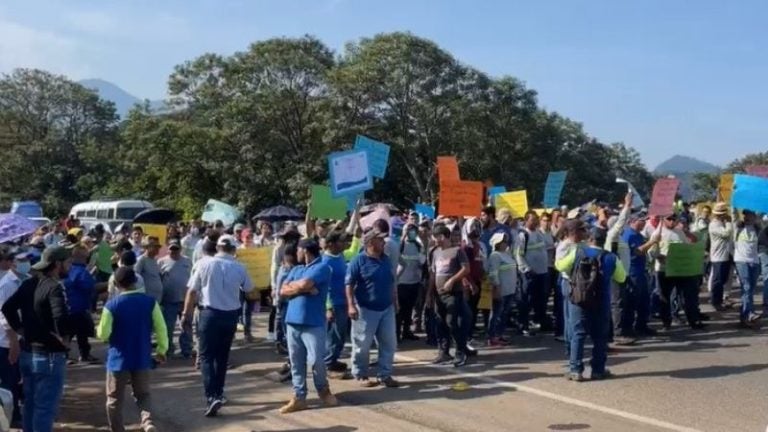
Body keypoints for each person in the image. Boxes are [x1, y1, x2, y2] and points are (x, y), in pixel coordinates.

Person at [182, 234, 254, 417]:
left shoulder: (203, 264)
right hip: (230, 316)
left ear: (218, 248)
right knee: (222, 357)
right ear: (233, 249)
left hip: (209, 314)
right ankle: (218, 393)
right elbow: (250, 290)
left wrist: (186, 314)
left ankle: (211, 396)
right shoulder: (240, 267)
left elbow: (192, 291)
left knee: (206, 356)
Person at [2, 246, 71, 432]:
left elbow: (8, 308)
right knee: (44, 408)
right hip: (49, 357)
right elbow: (61, 317)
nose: (69, 266)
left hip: (28, 353)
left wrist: (21, 330)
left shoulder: (28, 284)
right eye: (68, 262)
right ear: (57, 264)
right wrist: (64, 338)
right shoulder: (55, 287)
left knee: (31, 405)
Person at [97, 267, 167, 432]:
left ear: (116, 284)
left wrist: (105, 334)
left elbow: (103, 333)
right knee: (143, 394)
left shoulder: (111, 305)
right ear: (135, 282)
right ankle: (147, 421)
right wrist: (162, 350)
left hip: (118, 360)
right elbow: (161, 328)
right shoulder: (150, 302)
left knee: (114, 399)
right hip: (142, 356)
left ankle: (117, 429)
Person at [556, 220, 625, 382]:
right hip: (601, 301)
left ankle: (575, 370)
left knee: (578, 334)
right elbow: (621, 278)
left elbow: (560, 267)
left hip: (580, 299)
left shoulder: (578, 252)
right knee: (600, 336)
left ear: (590, 239)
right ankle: (598, 370)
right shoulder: (611, 257)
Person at [279, 238, 338, 413]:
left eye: (298, 249)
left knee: (317, 360)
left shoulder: (322, 267)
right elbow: (282, 290)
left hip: (313, 322)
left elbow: (304, 284)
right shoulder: (297, 269)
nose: (295, 253)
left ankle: (323, 390)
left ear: (305, 251)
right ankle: (299, 396)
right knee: (296, 361)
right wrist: (303, 289)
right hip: (292, 321)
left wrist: (298, 287)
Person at [346, 226, 400, 387]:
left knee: (389, 343)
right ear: (370, 242)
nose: (384, 242)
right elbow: (349, 283)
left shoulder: (385, 258)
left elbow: (391, 282)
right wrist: (351, 305)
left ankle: (385, 374)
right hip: (365, 309)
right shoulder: (359, 260)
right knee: (362, 345)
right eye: (380, 239)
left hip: (386, 308)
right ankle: (360, 373)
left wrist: (395, 301)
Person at [651, 213, 705, 330]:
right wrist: (661, 257)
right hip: (664, 270)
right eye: (668, 219)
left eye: (673, 219)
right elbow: (652, 252)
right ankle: (666, 322)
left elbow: (687, 246)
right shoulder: (658, 233)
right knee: (664, 297)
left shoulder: (679, 232)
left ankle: (693, 320)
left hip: (681, 270)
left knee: (688, 295)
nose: (671, 221)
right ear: (663, 219)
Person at [428, 224, 471, 367]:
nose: (435, 241)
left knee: (452, 322)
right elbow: (433, 274)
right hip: (438, 295)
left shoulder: (457, 251)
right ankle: (443, 352)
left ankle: (460, 352)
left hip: (453, 294)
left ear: (442, 237)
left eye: (436, 238)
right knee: (440, 323)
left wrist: (452, 280)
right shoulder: (435, 253)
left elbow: (466, 269)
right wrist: (430, 294)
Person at [621, 213, 659, 336]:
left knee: (644, 300)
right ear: (633, 221)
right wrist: (652, 242)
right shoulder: (628, 235)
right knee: (632, 301)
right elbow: (637, 251)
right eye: (641, 220)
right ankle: (628, 328)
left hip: (641, 271)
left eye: (645, 220)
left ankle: (641, 325)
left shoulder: (638, 235)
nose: (644, 223)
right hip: (633, 272)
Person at [323, 231, 353, 373]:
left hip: (344, 301)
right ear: (331, 244)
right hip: (334, 304)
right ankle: (328, 363)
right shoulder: (326, 262)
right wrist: (328, 308)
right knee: (334, 336)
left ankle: (333, 360)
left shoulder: (340, 256)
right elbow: (325, 286)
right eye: (341, 241)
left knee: (341, 335)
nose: (344, 244)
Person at [158, 239, 193, 358]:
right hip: (169, 300)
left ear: (180, 249)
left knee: (186, 326)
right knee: (168, 327)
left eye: (176, 249)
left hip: (185, 300)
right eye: (171, 249)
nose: (173, 251)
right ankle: (168, 350)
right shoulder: (161, 262)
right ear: (168, 249)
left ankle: (186, 350)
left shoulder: (188, 261)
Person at [517, 211, 551, 333]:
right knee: (526, 300)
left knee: (541, 299)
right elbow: (519, 255)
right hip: (530, 274)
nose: (535, 222)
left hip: (542, 272)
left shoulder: (539, 233)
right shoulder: (523, 235)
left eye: (536, 219)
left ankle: (540, 321)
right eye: (532, 220)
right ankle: (523, 324)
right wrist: (527, 269)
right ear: (526, 221)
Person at [0, 247, 23, 427]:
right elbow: (5, 316)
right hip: (6, 341)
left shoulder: (17, 282)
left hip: (10, 339)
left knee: (13, 380)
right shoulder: (7, 284)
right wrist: (14, 341)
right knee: (9, 382)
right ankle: (11, 417)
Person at [64, 245, 98, 363]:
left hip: (71, 306)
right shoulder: (81, 272)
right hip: (78, 307)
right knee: (72, 333)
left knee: (80, 332)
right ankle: (66, 354)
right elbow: (90, 287)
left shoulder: (70, 270)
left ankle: (84, 354)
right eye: (86, 256)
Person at [486, 233, 517, 347]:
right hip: (501, 290)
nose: (505, 243)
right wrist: (497, 287)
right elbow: (493, 273)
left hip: (510, 289)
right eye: (503, 241)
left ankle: (499, 335)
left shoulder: (507, 254)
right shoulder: (495, 256)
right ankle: (492, 337)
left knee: (504, 314)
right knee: (497, 314)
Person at [396, 224, 425, 342]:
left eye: (413, 231)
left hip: (414, 282)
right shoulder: (399, 244)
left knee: (409, 309)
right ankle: (396, 333)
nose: (410, 233)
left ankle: (407, 331)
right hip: (401, 282)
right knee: (399, 311)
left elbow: (422, 261)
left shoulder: (418, 246)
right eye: (408, 230)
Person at [733, 209, 762, 327]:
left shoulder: (758, 229)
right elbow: (733, 214)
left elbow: (762, 216)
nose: (747, 217)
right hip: (741, 261)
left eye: (749, 215)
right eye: (745, 215)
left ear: (754, 216)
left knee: (749, 290)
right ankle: (749, 314)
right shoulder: (737, 227)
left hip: (754, 262)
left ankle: (744, 317)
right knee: (746, 287)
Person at [708, 202, 734, 311]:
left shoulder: (721, 223)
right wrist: (729, 223)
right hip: (718, 256)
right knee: (718, 280)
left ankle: (720, 299)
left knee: (723, 279)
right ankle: (715, 301)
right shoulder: (714, 224)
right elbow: (726, 233)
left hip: (726, 255)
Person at [135, 237, 163, 303]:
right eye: (155, 246)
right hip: (145, 300)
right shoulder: (141, 260)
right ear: (147, 247)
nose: (158, 248)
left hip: (156, 300)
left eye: (158, 246)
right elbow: (135, 278)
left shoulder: (155, 260)